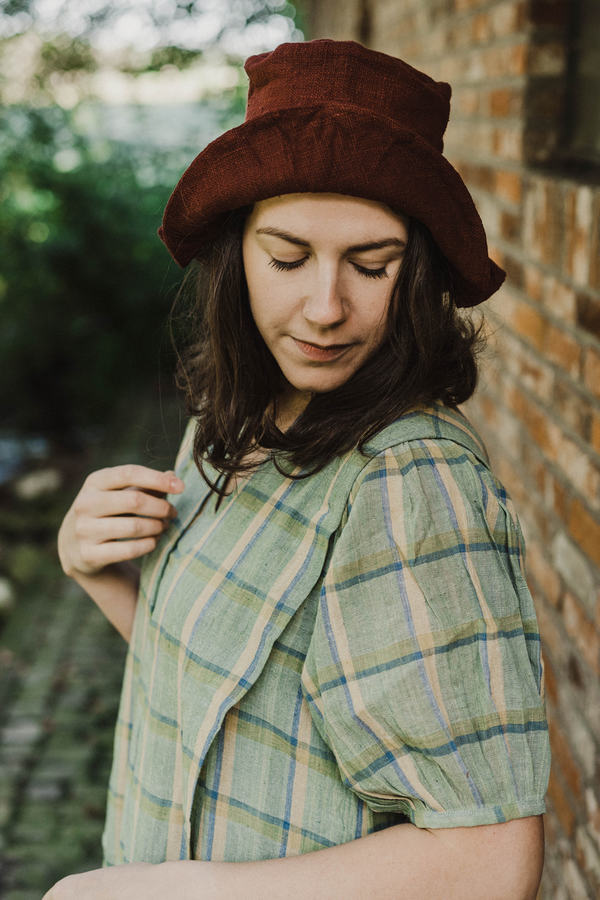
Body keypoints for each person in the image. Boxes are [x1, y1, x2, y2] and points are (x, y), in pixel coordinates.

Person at [46, 39, 550, 899]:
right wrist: (99, 576)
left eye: (372, 264)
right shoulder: (232, 414)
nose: (325, 309)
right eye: (287, 258)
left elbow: (490, 859)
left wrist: (153, 891)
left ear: (418, 272)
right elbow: (255, 706)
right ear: (234, 257)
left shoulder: (406, 482)